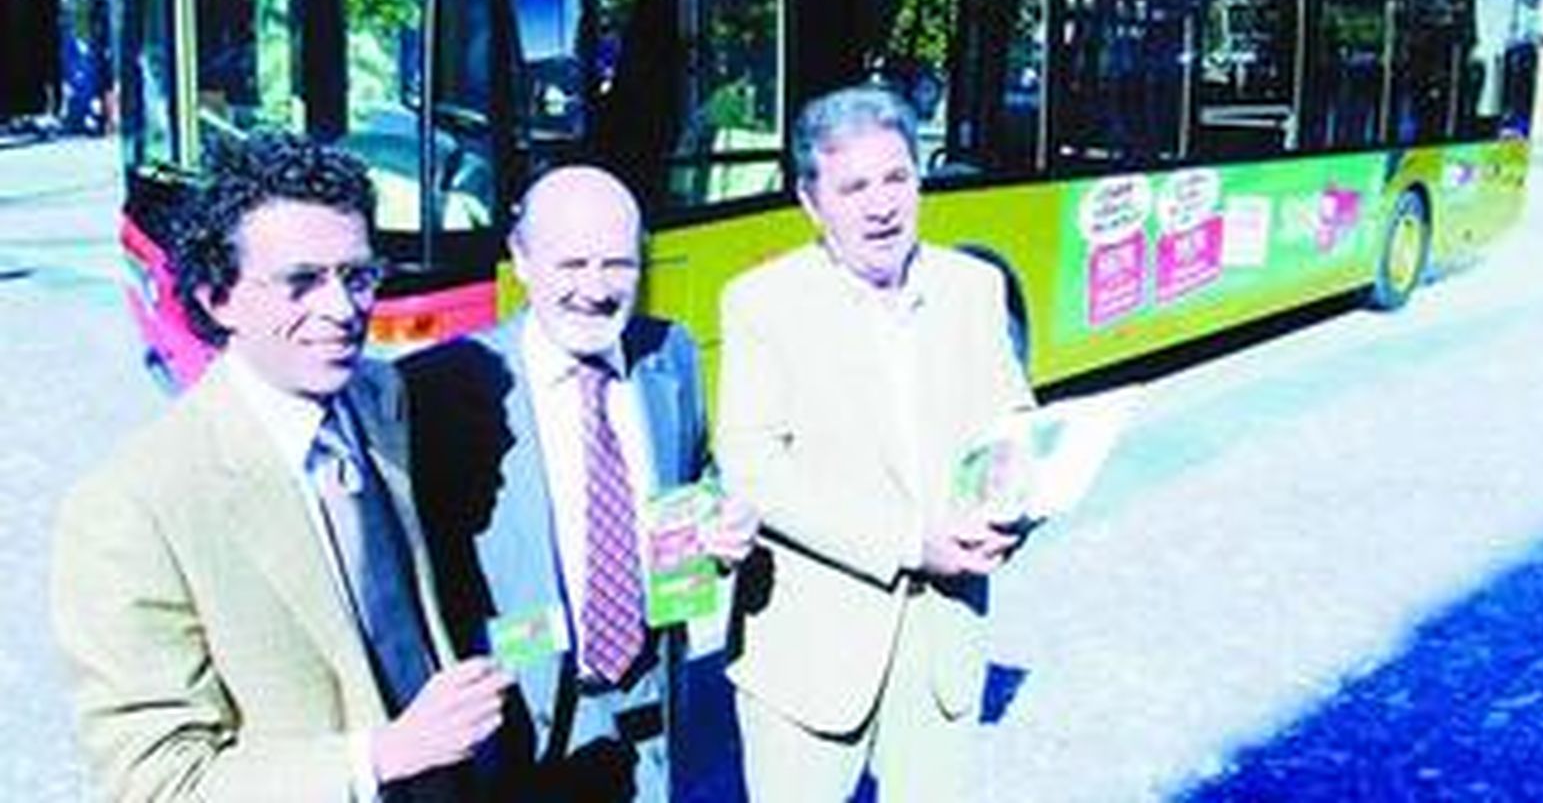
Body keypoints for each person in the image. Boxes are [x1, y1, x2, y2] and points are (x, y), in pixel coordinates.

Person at [50, 132, 511, 802]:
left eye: (357, 276)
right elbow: (159, 782)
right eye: (301, 282)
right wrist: (379, 757)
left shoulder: (382, 400)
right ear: (217, 298)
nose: (342, 310)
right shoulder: (129, 509)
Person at [715, 85, 1035, 802]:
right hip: (810, 659)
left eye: (897, 178)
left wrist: (1014, 509)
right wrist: (905, 540)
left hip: (943, 645)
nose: (881, 205)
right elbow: (754, 464)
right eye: (853, 186)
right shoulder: (761, 303)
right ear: (811, 200)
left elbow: (1013, 423)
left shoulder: (974, 288)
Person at [401, 165, 756, 802]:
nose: (595, 290)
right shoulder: (448, 385)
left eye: (617, 265)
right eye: (572, 265)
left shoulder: (669, 353)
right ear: (522, 259)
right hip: (519, 726)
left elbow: (695, 474)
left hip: (650, 705)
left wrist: (720, 516)